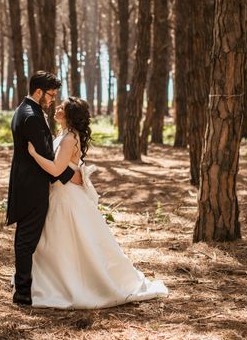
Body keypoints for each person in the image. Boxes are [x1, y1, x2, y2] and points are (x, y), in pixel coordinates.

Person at [27, 97, 168, 309]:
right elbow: (70, 167)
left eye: (62, 107)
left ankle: (73, 286)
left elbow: (56, 170)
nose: (57, 108)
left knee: (70, 242)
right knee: (55, 243)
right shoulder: (64, 134)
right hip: (61, 193)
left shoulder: (69, 139)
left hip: (67, 199)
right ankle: (54, 282)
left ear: (69, 114)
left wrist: (33, 154)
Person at [7, 71, 78, 306]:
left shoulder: (25, 110)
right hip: (32, 187)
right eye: (51, 94)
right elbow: (46, 156)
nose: (53, 100)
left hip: (27, 183)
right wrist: (73, 174)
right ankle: (23, 293)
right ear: (39, 92)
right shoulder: (32, 116)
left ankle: (25, 287)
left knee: (25, 239)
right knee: (26, 241)